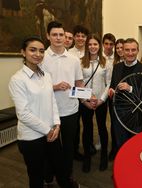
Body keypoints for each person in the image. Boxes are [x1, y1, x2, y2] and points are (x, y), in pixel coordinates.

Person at [8, 36, 71, 188]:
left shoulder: (46, 76)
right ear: (23, 52)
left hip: (52, 133)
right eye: (33, 50)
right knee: (36, 175)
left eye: (41, 51)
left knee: (60, 168)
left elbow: (52, 101)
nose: (38, 54)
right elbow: (23, 114)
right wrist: (48, 129)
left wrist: (57, 124)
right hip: (31, 137)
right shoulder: (17, 80)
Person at [41, 21, 85, 187]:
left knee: (68, 147)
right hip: (48, 111)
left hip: (70, 110)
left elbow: (79, 83)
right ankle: (49, 177)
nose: (58, 38)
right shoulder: (41, 58)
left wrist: (88, 98)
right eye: (54, 34)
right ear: (48, 36)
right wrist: (55, 86)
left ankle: (66, 177)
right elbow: (35, 87)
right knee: (51, 146)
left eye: (61, 34)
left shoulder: (73, 60)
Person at [109, 38, 142, 151]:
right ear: (122, 51)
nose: (130, 53)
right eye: (127, 50)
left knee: (135, 145)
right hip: (118, 113)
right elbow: (113, 85)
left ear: (138, 51)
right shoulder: (117, 67)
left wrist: (130, 88)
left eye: (133, 50)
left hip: (135, 114)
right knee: (120, 144)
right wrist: (112, 90)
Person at [80, 34, 111, 172]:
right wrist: (85, 100)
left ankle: (103, 155)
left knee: (102, 127)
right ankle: (87, 156)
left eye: (95, 44)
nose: (92, 47)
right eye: (90, 44)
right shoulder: (80, 62)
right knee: (87, 129)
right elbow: (78, 82)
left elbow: (109, 83)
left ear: (99, 46)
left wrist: (101, 100)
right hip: (86, 102)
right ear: (87, 46)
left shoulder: (106, 62)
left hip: (100, 101)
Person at [68, 24, 91, 160]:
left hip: (86, 92)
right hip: (72, 94)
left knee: (87, 124)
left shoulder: (90, 52)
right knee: (74, 126)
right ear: (74, 37)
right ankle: (74, 150)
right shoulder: (68, 53)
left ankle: (88, 148)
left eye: (83, 36)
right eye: (78, 35)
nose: (81, 38)